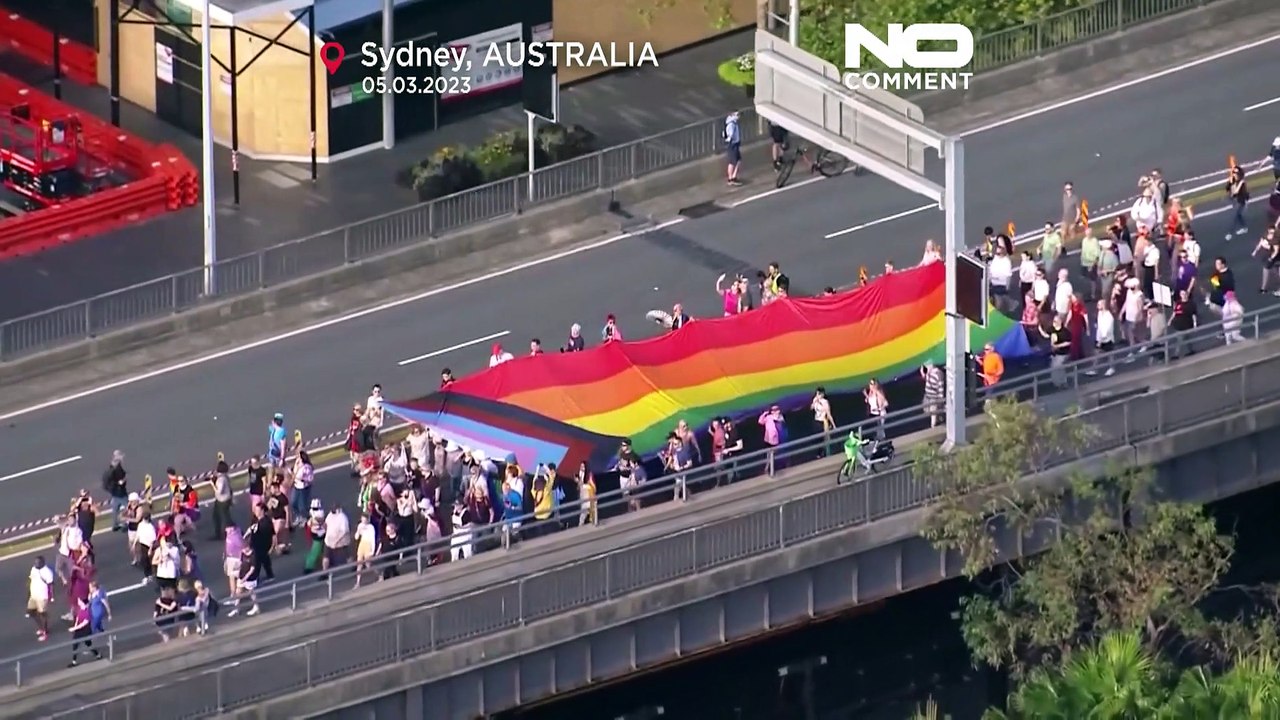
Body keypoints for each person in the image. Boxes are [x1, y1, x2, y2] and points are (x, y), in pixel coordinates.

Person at [27, 556, 54, 641]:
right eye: (35, 562)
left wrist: (51, 596)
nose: (36, 564)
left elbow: (51, 585)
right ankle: (41, 628)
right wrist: (29, 593)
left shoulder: (47, 572)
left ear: (42, 562)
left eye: (38, 562)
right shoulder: (33, 569)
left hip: (42, 596)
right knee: (31, 611)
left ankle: (45, 632)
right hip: (33, 594)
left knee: (42, 614)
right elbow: (31, 580)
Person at [68, 597, 99, 666]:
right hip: (79, 630)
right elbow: (78, 618)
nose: (78, 602)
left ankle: (97, 654)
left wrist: (74, 628)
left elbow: (83, 624)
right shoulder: (80, 609)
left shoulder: (87, 613)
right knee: (76, 645)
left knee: (86, 644)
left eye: (80, 601)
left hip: (85, 631)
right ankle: (74, 661)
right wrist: (75, 626)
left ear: (83, 603)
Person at [101, 450, 128, 532]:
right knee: (128, 508)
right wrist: (121, 483)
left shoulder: (110, 469)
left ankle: (115, 524)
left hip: (114, 494)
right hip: (121, 493)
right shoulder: (117, 469)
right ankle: (127, 523)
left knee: (115, 510)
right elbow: (121, 479)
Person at [724, 111, 742, 185]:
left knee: (738, 160)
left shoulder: (734, 123)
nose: (738, 116)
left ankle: (733, 176)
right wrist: (732, 140)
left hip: (735, 144)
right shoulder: (731, 124)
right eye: (737, 114)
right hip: (733, 145)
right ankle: (731, 178)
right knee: (732, 162)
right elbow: (730, 135)